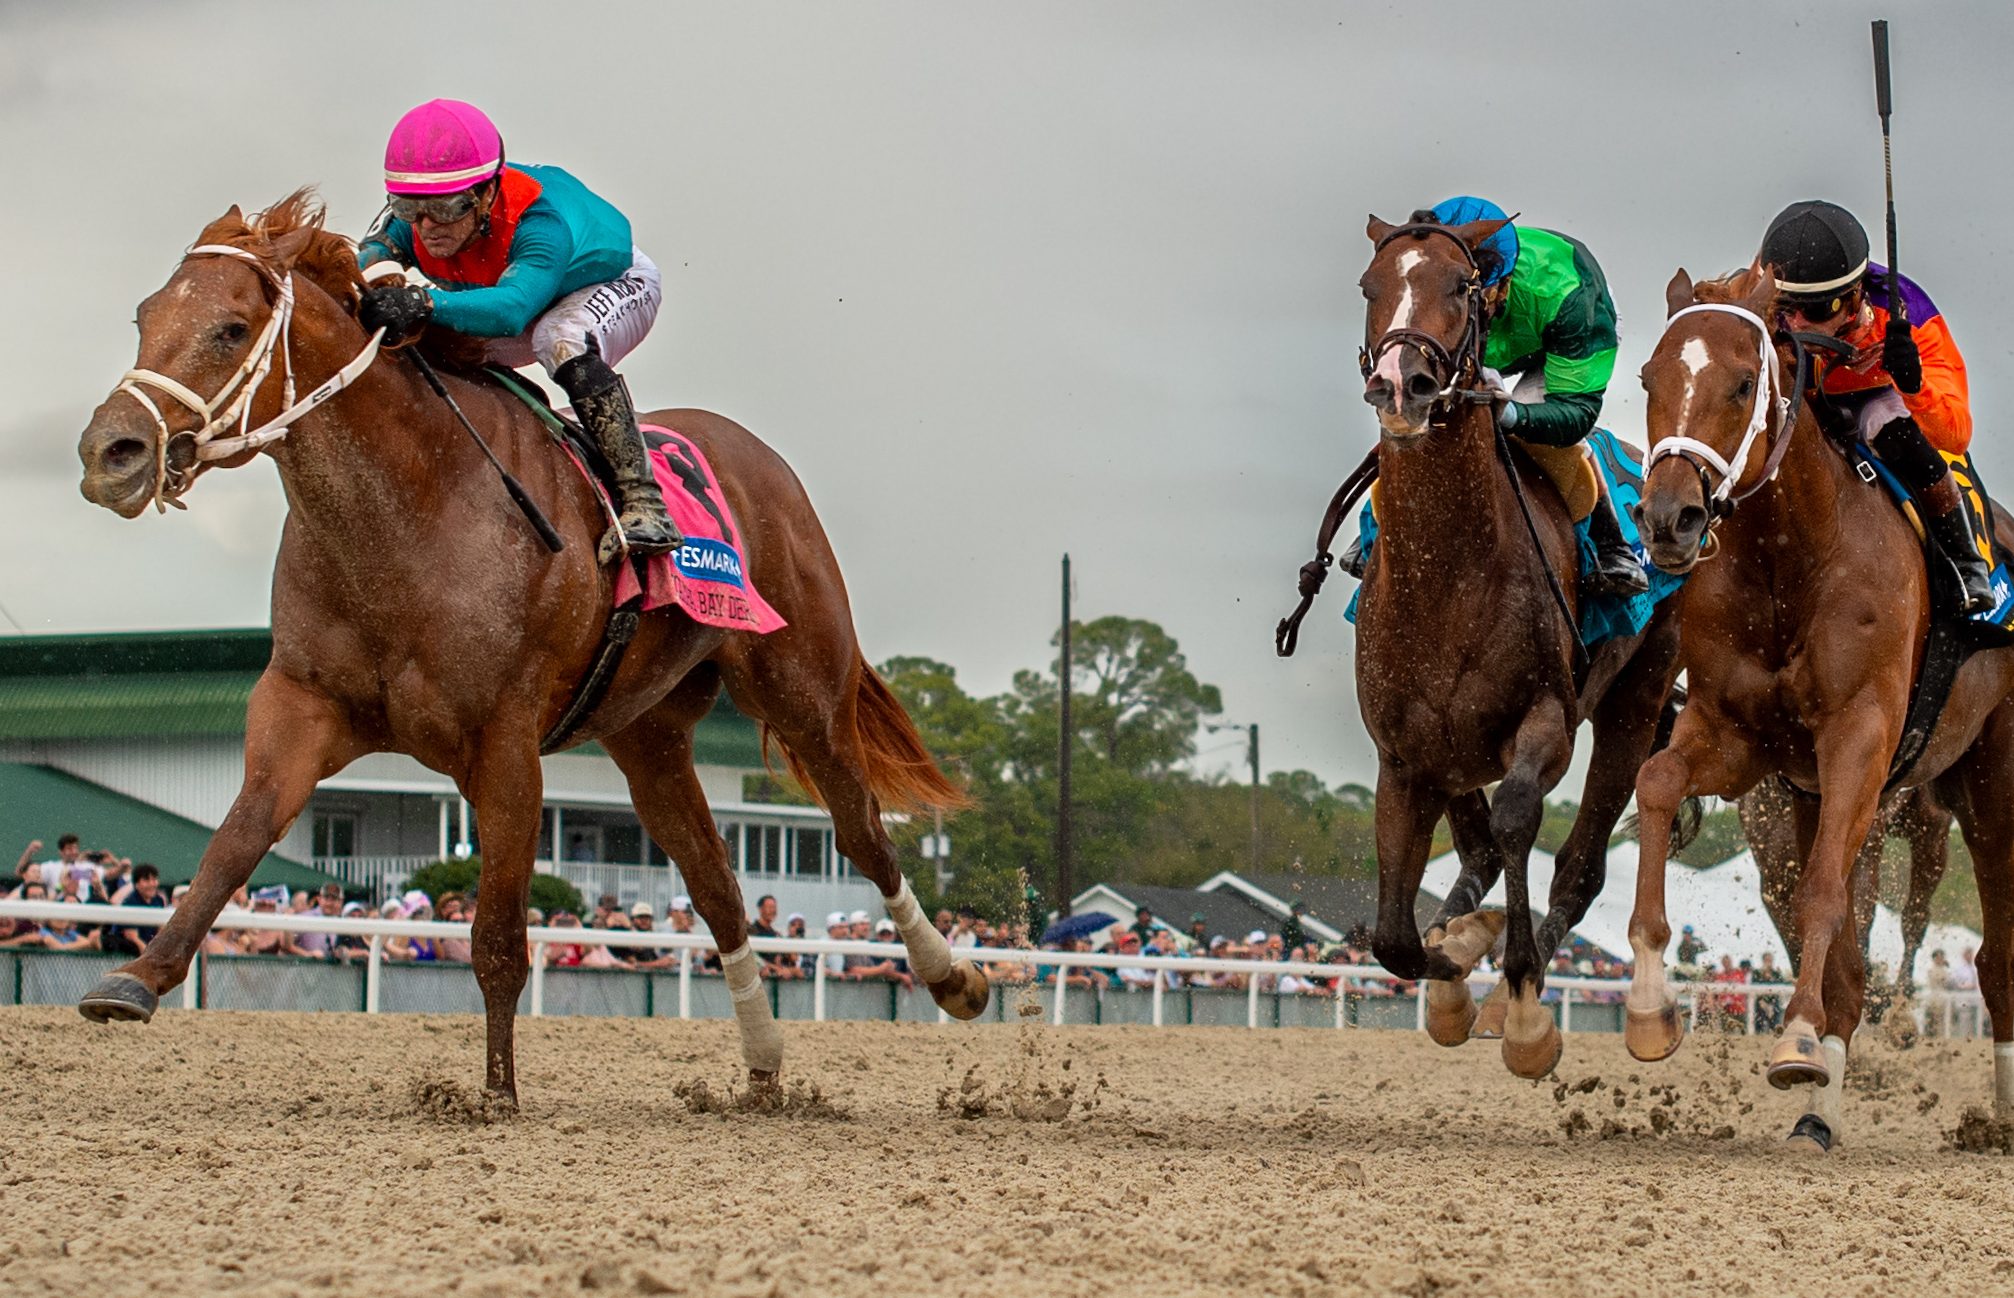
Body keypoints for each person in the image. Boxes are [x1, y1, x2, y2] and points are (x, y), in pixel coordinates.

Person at [356, 98, 680, 556]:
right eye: (408, 208)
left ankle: (645, 502)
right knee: (430, 345)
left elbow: (512, 312)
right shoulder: (419, 219)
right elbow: (360, 263)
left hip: (611, 282)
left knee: (558, 339)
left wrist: (422, 300)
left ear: (487, 192)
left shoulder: (539, 223)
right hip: (517, 292)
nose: (427, 227)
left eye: (447, 208)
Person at [1355, 196, 1644, 597]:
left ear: (1501, 283)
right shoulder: (1438, 283)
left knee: (1534, 438)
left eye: (1484, 294)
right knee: (1426, 418)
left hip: (1559, 338)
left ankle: (1611, 543)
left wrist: (1513, 416)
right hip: (1478, 339)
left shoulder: (1571, 298)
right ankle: (1374, 527)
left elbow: (1576, 412)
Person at [1758, 199, 1993, 612]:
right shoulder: (1758, 293)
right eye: (1783, 309)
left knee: (1891, 423)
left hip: (1871, 398)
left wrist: (1912, 384)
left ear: (1853, 297)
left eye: (1814, 310)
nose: (1793, 325)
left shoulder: (1910, 314)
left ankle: (1964, 563)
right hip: (1799, 398)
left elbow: (1955, 435)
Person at [101, 864, 168, 958]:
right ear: (136, 884)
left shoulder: (158, 900)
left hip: (148, 948)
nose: (152, 884)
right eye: (146, 880)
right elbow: (132, 937)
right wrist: (149, 956)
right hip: (127, 954)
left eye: (154, 879)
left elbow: (160, 931)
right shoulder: (130, 903)